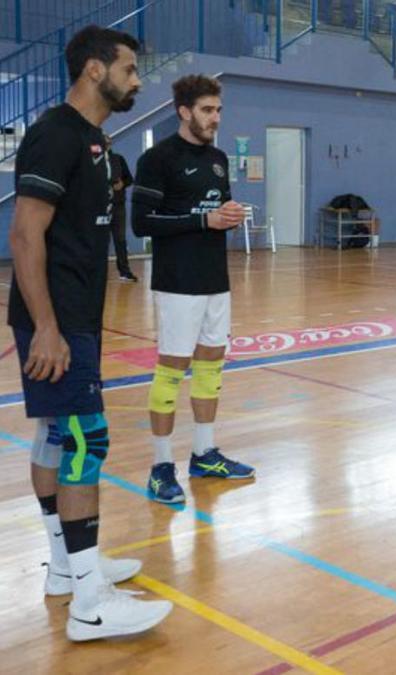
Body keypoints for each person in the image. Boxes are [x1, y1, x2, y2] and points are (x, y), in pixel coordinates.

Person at [8, 25, 172, 641]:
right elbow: (25, 235)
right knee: (86, 441)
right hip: (57, 319)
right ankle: (91, 605)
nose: (137, 80)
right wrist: (47, 328)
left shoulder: (95, 140)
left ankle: (66, 569)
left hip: (76, 314)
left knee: (58, 434)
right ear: (96, 70)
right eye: (129, 69)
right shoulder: (56, 134)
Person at [131, 74, 252, 504]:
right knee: (172, 368)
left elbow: (215, 212)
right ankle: (161, 466)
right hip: (177, 283)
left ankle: (204, 453)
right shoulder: (157, 159)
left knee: (211, 365)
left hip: (215, 280)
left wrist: (228, 214)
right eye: (206, 110)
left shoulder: (218, 158)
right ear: (184, 111)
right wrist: (204, 220)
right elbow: (141, 224)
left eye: (218, 110)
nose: (215, 118)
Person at [105, 135, 136, 281]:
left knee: (120, 239)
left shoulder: (118, 159)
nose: (106, 144)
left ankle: (124, 271)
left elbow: (129, 178)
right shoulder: (91, 160)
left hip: (118, 206)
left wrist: (122, 184)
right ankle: (97, 273)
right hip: (99, 207)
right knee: (98, 240)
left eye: (108, 141)